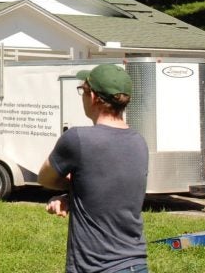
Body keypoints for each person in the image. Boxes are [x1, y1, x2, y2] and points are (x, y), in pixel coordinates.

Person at [38, 64, 149, 273]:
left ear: (94, 98)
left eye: (83, 90)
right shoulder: (139, 143)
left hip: (96, 267)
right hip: (136, 265)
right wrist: (73, 197)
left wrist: (70, 193)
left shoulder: (78, 139)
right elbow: (110, 192)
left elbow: (45, 177)